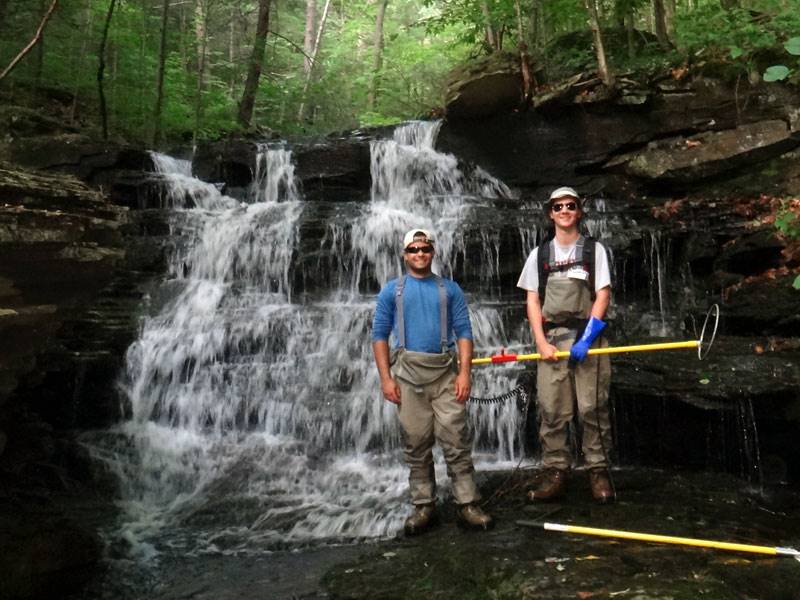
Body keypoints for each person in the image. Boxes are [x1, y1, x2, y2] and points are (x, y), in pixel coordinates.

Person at [372, 228, 493, 535]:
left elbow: (464, 332)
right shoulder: (391, 291)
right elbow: (379, 336)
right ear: (404, 255)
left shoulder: (449, 289)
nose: (420, 254)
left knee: (455, 438)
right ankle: (424, 505)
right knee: (415, 441)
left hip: (444, 374)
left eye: (425, 249)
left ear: (433, 253)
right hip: (408, 376)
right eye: (413, 250)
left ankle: (467, 503)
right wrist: (386, 378)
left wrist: (465, 373)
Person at [517, 187, 615, 504]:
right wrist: (541, 342)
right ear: (550, 213)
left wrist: (587, 337)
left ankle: (597, 471)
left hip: (590, 337)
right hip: (553, 342)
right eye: (558, 206)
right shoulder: (539, 255)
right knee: (552, 409)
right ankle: (556, 471)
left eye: (570, 205)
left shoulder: (593, 250)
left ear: (578, 211)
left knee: (592, 407)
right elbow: (532, 300)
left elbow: (602, 294)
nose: (564, 210)